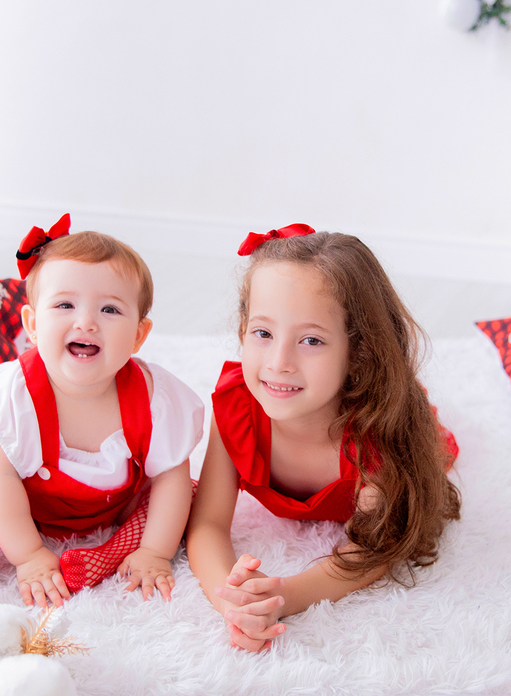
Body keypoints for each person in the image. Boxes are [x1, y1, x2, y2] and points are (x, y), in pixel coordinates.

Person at [186, 224, 461, 652]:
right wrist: (235, 603)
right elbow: (207, 524)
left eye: (311, 340)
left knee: (431, 439)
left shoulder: (379, 435)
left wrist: (284, 596)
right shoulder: (237, 407)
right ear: (242, 329)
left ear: (359, 352)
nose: (279, 363)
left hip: (380, 416)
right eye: (263, 333)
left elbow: (373, 550)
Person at [0, 214, 203, 616]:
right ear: (33, 324)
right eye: (65, 305)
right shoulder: (15, 395)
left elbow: (170, 477)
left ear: (138, 335)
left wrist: (156, 551)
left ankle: (109, 555)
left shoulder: (155, 398)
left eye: (109, 309)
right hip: (19, 501)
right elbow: (1, 479)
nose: (86, 322)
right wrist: (28, 555)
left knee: (183, 492)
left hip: (112, 507)